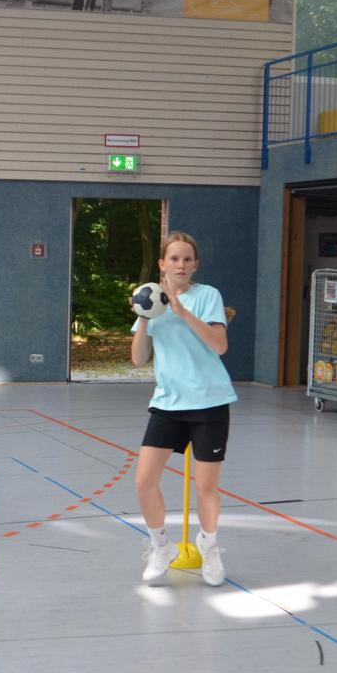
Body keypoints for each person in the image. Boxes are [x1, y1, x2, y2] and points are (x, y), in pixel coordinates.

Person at [129, 231, 235, 586]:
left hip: (209, 403)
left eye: (187, 259)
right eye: (174, 259)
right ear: (162, 264)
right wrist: (145, 318)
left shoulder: (208, 296)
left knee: (206, 488)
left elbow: (219, 346)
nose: (181, 265)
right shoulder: (150, 300)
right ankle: (161, 546)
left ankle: (210, 547)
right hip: (168, 404)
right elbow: (138, 358)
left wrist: (182, 312)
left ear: (195, 265)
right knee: (144, 482)